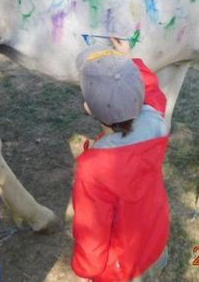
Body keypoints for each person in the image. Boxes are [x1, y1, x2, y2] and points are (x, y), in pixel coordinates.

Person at [71, 37, 170, 282]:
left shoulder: (93, 168)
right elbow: (152, 90)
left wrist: (88, 271)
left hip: (119, 271)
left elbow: (92, 231)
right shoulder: (157, 122)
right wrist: (128, 60)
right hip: (155, 247)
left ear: (89, 108)